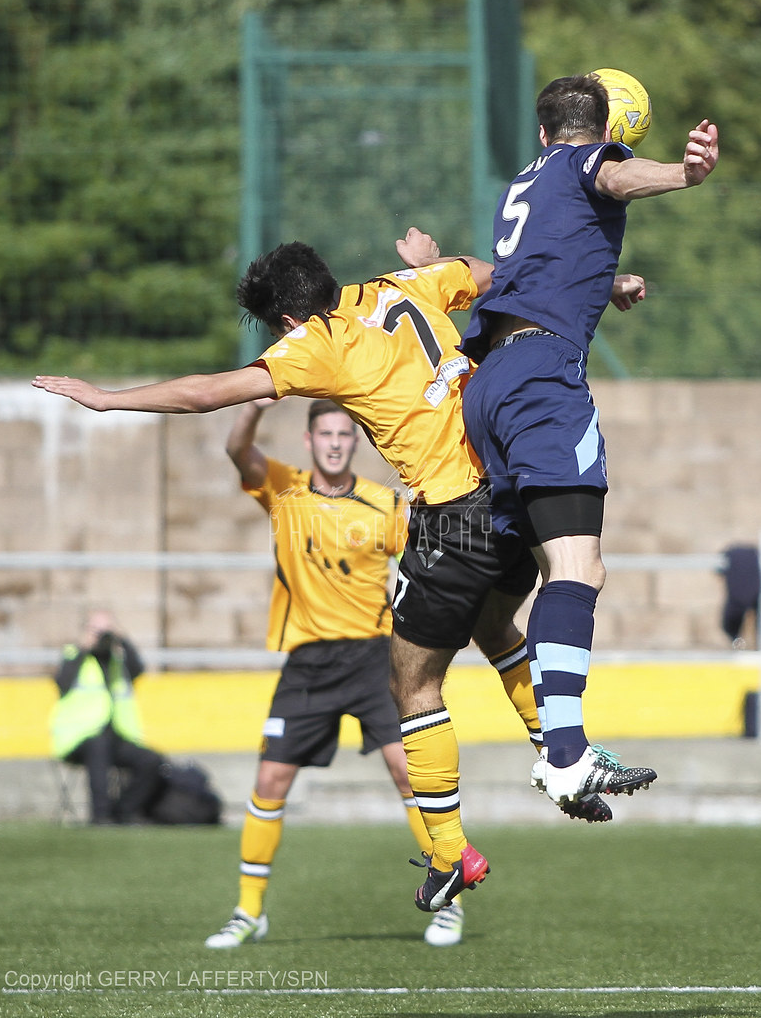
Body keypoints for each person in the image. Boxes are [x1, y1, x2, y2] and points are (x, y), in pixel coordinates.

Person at [32, 233, 640, 910]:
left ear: (288, 320)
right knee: (496, 626)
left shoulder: (315, 341)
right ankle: (562, 749)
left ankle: (449, 853)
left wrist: (108, 398)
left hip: (454, 511)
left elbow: (210, 393)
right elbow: (490, 272)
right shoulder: (405, 285)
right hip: (511, 485)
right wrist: (599, 287)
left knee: (410, 680)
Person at [453, 74, 719, 809]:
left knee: (524, 580)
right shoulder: (588, 162)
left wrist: (610, 283)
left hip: (490, 384)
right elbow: (611, 174)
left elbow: (530, 273)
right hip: (542, 380)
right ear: (605, 130)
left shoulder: (525, 180)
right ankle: (564, 752)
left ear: (541, 132)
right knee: (579, 568)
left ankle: (561, 743)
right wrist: (683, 173)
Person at [206, 398, 460, 946]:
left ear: (356, 440)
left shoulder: (384, 505)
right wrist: (253, 401)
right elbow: (236, 450)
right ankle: (249, 912)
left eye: (345, 433)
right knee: (270, 780)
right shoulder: (284, 492)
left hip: (373, 658)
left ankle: (448, 901)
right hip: (308, 662)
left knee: (407, 770)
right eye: (326, 433)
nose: (336, 442)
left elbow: (426, 558)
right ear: (309, 440)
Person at [50, 609, 164, 824]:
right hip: (78, 739)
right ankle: (101, 816)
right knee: (98, 746)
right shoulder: (74, 655)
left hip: (117, 737)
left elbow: (138, 669)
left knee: (151, 760)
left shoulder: (117, 662)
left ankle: (124, 811)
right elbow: (62, 682)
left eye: (105, 630)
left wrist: (121, 638)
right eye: (96, 630)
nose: (101, 636)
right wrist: (86, 646)